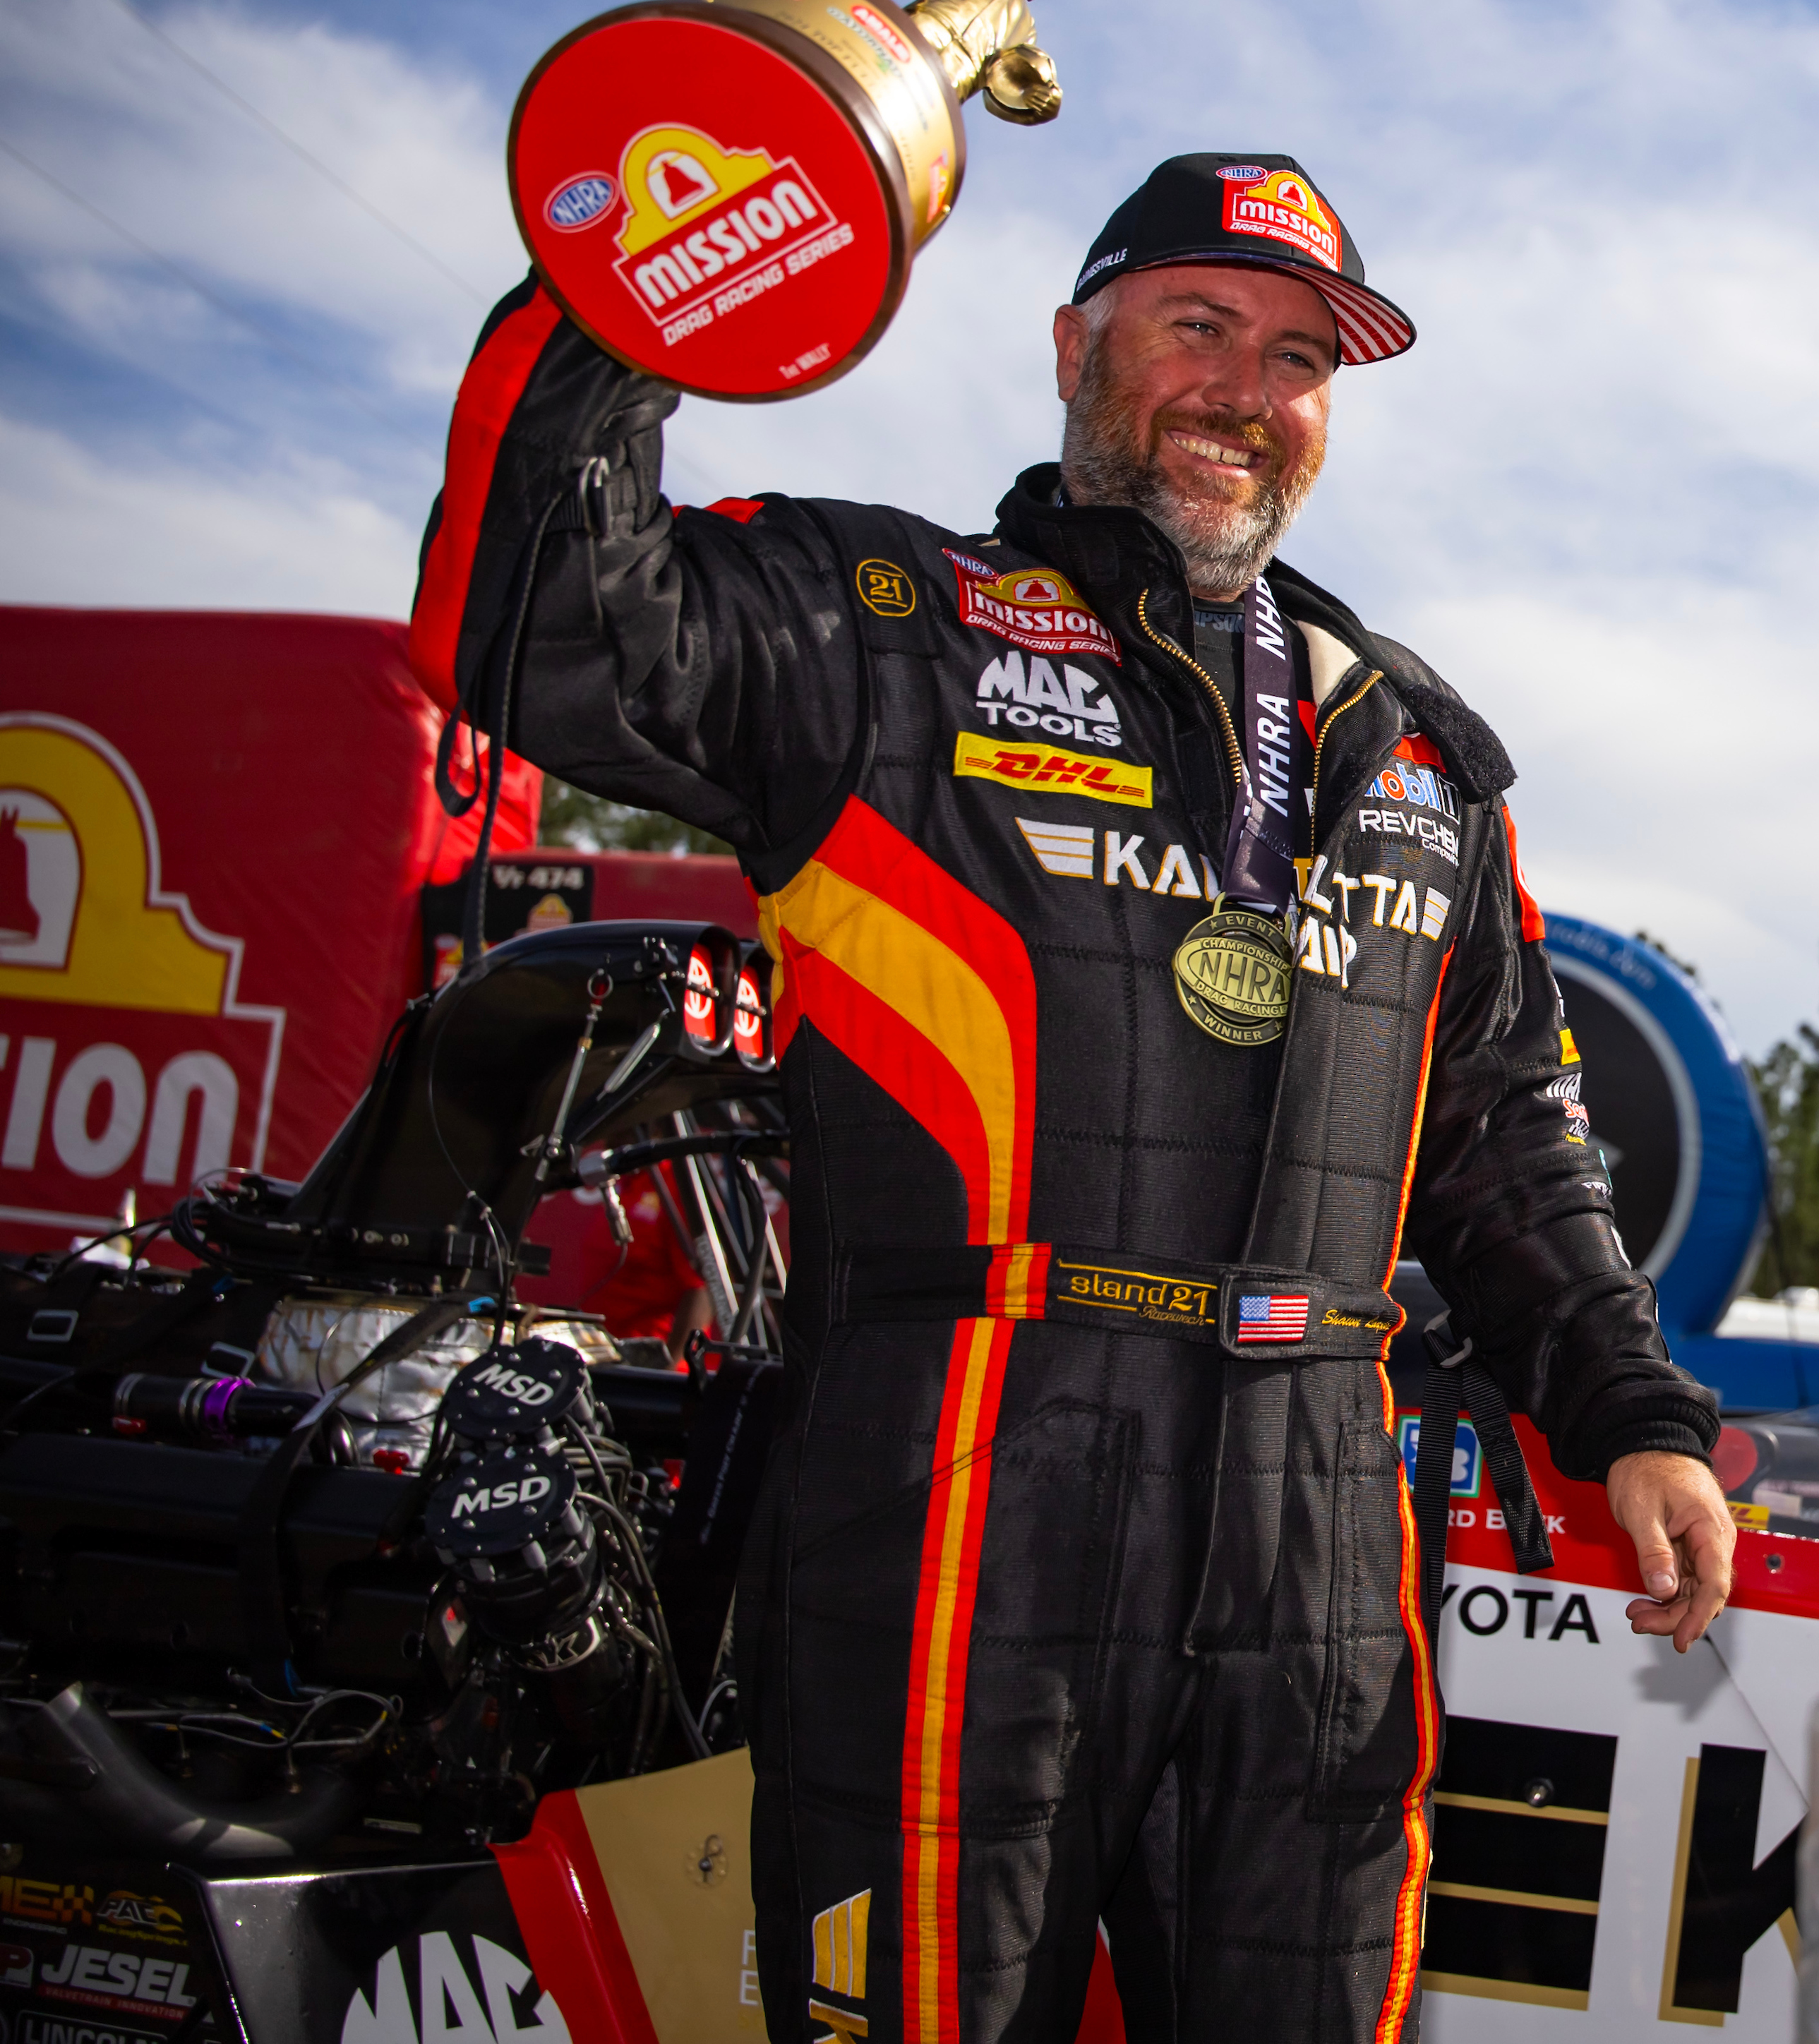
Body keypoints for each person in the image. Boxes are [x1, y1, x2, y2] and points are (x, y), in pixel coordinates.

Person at [411, 152, 1734, 2042]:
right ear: (1073, 345)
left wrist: (1633, 1407)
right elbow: (536, 615)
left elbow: (1510, 1124)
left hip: (1315, 1540)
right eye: (1197, 326)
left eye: (1296, 357)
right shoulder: (883, 631)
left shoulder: (1419, 751)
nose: (1243, 393)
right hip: (955, 1499)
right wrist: (643, 273)